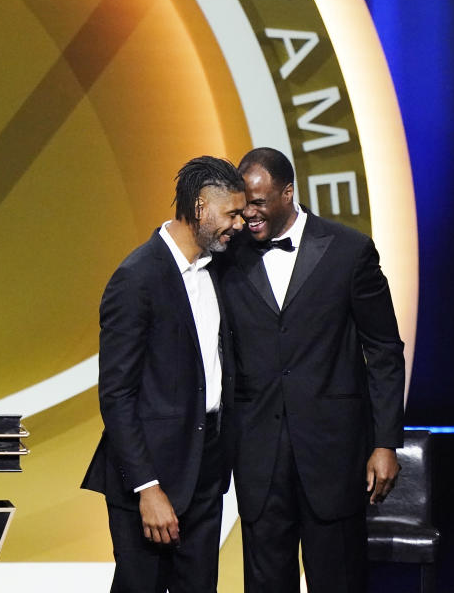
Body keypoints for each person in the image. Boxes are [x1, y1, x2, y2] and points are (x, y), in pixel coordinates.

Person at [219, 147, 405, 592]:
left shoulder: (349, 251)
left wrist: (385, 443)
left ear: (288, 193)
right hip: (259, 455)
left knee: (338, 580)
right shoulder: (229, 256)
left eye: (260, 203)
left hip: (333, 455)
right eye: (245, 203)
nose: (250, 213)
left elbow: (382, 349)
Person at [82, 156, 246, 593]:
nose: (239, 224)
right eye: (231, 213)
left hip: (207, 468)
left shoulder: (219, 270)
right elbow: (116, 394)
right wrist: (147, 488)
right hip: (150, 479)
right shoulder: (136, 278)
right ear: (199, 207)